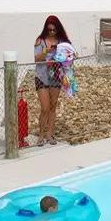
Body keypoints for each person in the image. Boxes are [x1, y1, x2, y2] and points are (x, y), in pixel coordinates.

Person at [33, 16, 71, 146]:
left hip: (55, 75)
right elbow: (36, 59)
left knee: (53, 105)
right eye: (49, 30)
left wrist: (67, 56)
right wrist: (46, 52)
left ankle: (50, 134)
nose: (52, 32)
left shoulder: (62, 41)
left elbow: (69, 57)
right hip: (42, 76)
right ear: (46, 29)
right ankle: (41, 135)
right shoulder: (40, 41)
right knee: (45, 107)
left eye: (54, 30)